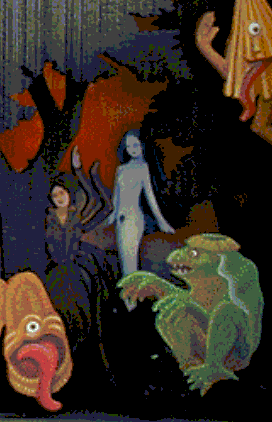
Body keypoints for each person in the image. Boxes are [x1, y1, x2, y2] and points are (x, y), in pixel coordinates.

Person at [44, 146, 116, 378]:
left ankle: (84, 359)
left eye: (62, 193)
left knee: (84, 316)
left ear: (69, 194)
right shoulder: (47, 218)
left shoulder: (78, 217)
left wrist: (81, 172)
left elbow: (105, 205)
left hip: (76, 272)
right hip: (55, 273)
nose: (59, 198)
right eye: (55, 195)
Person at [107, 130, 175, 277]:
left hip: (133, 219)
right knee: (124, 262)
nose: (132, 149)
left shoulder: (143, 167)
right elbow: (116, 196)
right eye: (128, 146)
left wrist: (161, 221)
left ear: (142, 145)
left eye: (135, 145)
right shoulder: (121, 169)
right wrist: (111, 216)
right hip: (120, 220)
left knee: (130, 263)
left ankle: (131, 291)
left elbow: (150, 197)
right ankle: (129, 291)